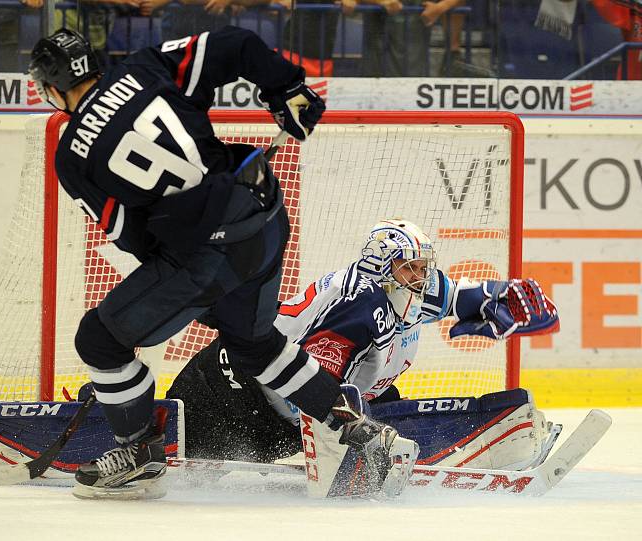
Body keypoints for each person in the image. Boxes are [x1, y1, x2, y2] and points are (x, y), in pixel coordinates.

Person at [28, 25, 417, 501]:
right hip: (265, 213)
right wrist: (287, 87)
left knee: (100, 340)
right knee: (255, 346)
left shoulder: (72, 155)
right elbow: (235, 45)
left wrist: (193, 290)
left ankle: (137, 453)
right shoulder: (144, 68)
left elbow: (129, 234)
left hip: (206, 255)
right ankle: (359, 432)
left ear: (51, 87)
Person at [167, 219, 560, 464]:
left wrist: (509, 298)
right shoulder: (359, 303)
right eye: (410, 267)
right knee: (191, 467)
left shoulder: (409, 289)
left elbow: (465, 298)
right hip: (229, 396)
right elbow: (309, 391)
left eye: (423, 267)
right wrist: (356, 440)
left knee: (383, 410)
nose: (420, 276)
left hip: (272, 408)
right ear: (381, 266)